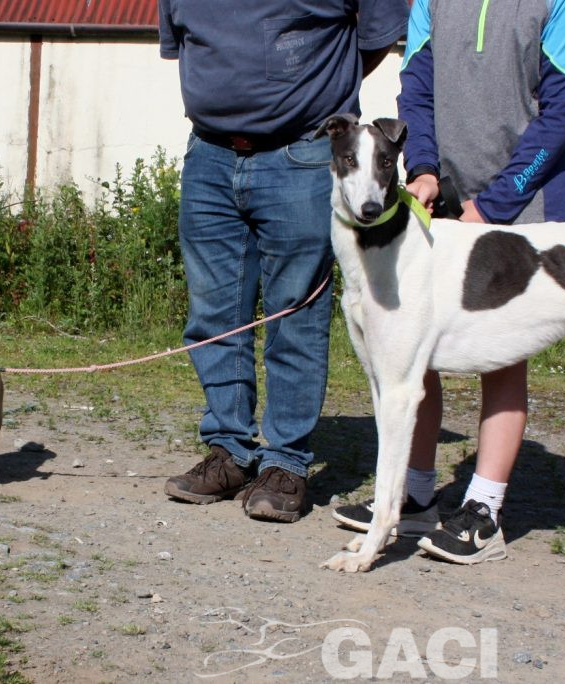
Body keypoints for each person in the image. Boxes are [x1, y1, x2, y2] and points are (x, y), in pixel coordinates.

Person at [333, 0, 565, 561]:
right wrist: (422, 167)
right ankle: (416, 493)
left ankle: (484, 509)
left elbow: (564, 107)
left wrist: (496, 202)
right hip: (446, 195)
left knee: (501, 357)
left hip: (525, 201)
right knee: (415, 348)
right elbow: (417, 85)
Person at [158, 1, 409, 523]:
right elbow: (185, 44)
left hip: (301, 153)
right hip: (208, 153)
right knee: (213, 313)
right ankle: (230, 450)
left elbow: (378, 33)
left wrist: (311, 86)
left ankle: (285, 462)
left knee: (294, 313)